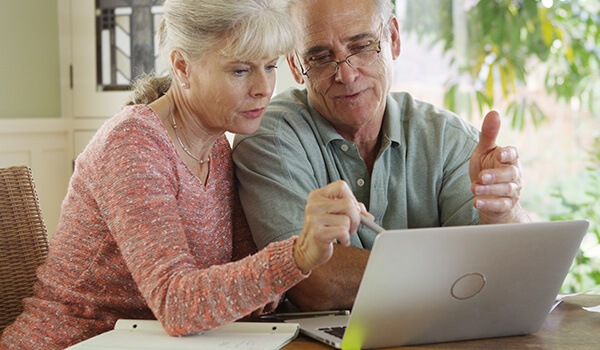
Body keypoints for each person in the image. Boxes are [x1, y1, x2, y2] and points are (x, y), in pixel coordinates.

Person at [0, 1, 370, 349]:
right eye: (240, 70)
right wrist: (300, 253)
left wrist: (290, 263)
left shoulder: (217, 146)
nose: (264, 89)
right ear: (182, 67)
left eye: (270, 66)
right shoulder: (132, 144)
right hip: (74, 342)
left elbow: (249, 291)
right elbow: (177, 304)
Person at [232, 0, 531, 311]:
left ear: (394, 39)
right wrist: (457, 270)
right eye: (320, 58)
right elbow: (314, 283)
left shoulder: (449, 138)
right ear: (295, 66)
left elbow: (514, 275)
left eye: (362, 46)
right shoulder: (269, 137)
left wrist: (503, 215)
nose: (346, 75)